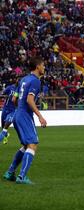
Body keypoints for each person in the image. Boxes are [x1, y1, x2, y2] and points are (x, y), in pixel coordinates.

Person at [3, 57, 47, 185]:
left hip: (17, 114)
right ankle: (22, 177)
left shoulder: (23, 79)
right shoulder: (35, 81)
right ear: (38, 66)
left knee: (25, 146)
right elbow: (29, 100)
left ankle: (10, 172)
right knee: (33, 144)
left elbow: (14, 100)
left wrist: (20, 110)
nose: (44, 67)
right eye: (43, 65)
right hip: (24, 116)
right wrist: (40, 116)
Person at [0, 78, 19, 144]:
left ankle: (3, 137)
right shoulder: (10, 87)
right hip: (5, 109)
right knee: (3, 127)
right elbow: (2, 93)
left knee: (6, 125)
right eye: (18, 80)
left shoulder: (20, 90)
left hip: (13, 111)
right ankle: (6, 136)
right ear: (16, 80)